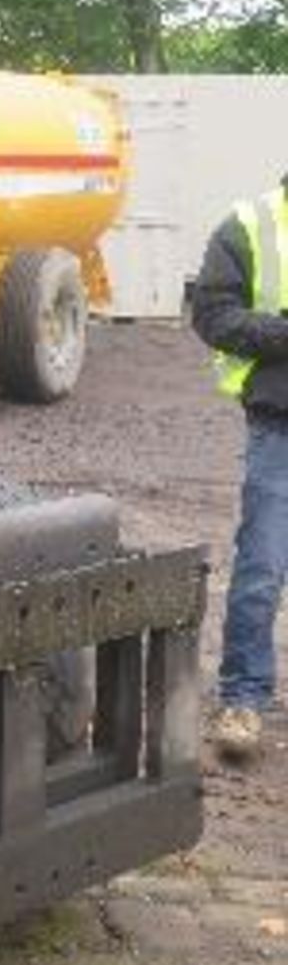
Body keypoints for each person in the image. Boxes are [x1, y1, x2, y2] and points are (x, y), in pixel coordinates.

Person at [191, 174, 288, 764]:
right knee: (261, 571)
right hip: (280, 427)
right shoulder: (252, 224)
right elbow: (213, 314)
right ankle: (243, 699)